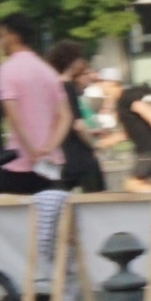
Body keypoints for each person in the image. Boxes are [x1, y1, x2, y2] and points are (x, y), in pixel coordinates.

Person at [0, 14, 70, 196]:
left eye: (1, 36)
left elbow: (14, 118)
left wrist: (33, 151)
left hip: (20, 162)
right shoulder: (47, 70)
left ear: (14, 37)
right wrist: (48, 148)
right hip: (51, 162)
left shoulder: (7, 70)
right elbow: (65, 116)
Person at [44, 42, 107, 192]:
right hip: (80, 156)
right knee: (96, 202)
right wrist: (93, 144)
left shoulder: (50, 86)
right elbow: (78, 125)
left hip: (60, 155)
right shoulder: (68, 86)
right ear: (71, 61)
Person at [118, 83, 151, 190]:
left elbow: (146, 110)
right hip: (145, 148)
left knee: (133, 183)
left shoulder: (126, 98)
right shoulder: (121, 102)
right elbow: (127, 133)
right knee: (145, 182)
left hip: (147, 148)